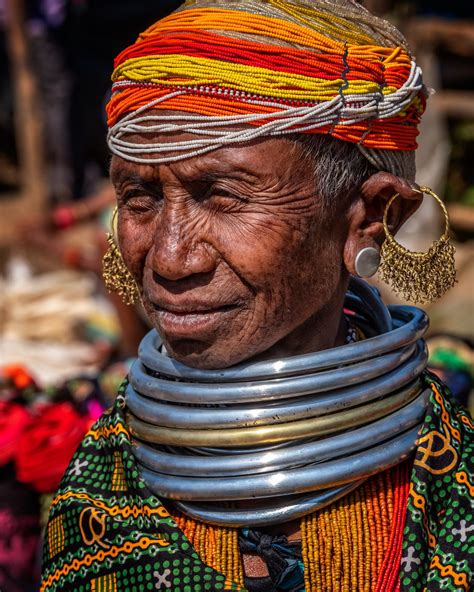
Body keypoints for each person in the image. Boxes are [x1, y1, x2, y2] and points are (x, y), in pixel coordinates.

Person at [41, 1, 473, 591]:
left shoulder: (446, 493)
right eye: (139, 197)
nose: (168, 258)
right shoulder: (99, 494)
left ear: (370, 217)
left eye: (222, 196)